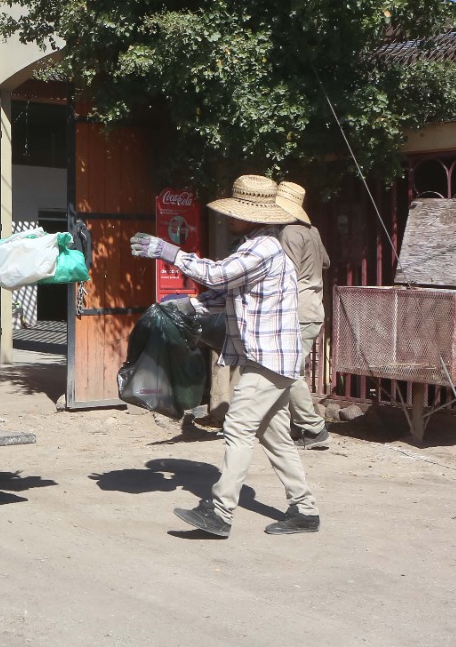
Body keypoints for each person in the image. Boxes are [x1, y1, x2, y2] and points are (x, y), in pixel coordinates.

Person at [130, 174, 320, 537]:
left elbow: (218, 276)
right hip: (270, 357)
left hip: (269, 359)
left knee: (238, 427)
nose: (228, 217)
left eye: (238, 211)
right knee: (274, 436)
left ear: (257, 216)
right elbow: (228, 294)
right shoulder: (255, 244)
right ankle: (305, 510)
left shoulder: (261, 248)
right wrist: (188, 305)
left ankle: (220, 512)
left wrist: (168, 251)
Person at [275, 181, 332, 449]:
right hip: (314, 309)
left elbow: (287, 275)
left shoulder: (288, 233)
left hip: (297, 311)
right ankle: (298, 427)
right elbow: (326, 262)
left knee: (289, 373)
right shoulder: (313, 231)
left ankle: (313, 429)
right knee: (290, 371)